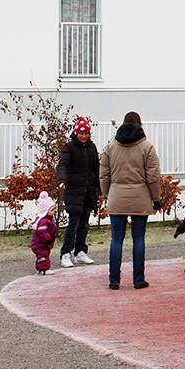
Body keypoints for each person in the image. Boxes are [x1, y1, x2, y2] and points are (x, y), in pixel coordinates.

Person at [99, 111, 162, 290]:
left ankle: (114, 280)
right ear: (140, 124)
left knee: (116, 239)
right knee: (139, 238)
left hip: (117, 196)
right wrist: (156, 198)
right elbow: (152, 176)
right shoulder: (147, 147)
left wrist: (107, 194)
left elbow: (103, 174)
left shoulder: (111, 147)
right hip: (140, 196)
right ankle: (138, 279)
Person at [57, 115, 100, 268]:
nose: (83, 136)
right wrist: (61, 180)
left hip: (88, 192)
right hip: (74, 191)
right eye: (81, 133)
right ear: (76, 133)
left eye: (86, 133)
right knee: (73, 224)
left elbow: (96, 169)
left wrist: (100, 189)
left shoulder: (92, 147)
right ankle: (65, 253)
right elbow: (62, 165)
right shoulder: (69, 148)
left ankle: (80, 252)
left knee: (84, 224)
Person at [29, 191, 58, 274]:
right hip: (40, 243)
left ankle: (40, 269)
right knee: (43, 255)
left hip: (42, 243)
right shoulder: (43, 221)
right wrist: (48, 240)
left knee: (41, 256)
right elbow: (42, 232)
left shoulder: (47, 220)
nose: (53, 212)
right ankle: (45, 269)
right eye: (51, 210)